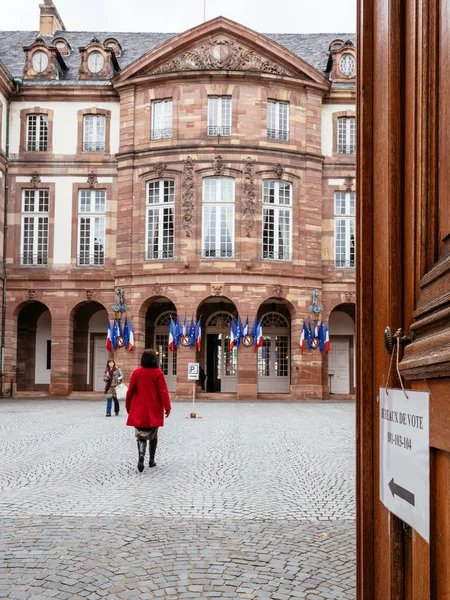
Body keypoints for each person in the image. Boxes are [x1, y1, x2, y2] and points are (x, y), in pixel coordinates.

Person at [125, 349, 171, 472]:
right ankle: (151, 460)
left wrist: (128, 405)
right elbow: (163, 392)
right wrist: (167, 407)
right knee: (153, 435)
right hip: (153, 408)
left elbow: (130, 391)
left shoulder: (137, 372)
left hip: (138, 408)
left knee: (141, 434)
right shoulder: (158, 373)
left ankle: (141, 455)